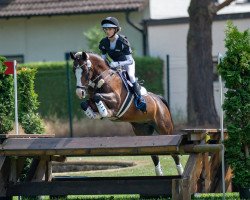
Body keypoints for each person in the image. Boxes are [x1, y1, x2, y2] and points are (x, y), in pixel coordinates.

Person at [99, 16, 143, 103]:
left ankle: (139, 98)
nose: (107, 31)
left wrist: (117, 63)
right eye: (106, 29)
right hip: (113, 64)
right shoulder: (104, 42)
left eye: (110, 29)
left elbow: (130, 61)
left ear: (116, 30)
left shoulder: (123, 41)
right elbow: (103, 59)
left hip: (127, 63)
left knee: (130, 76)